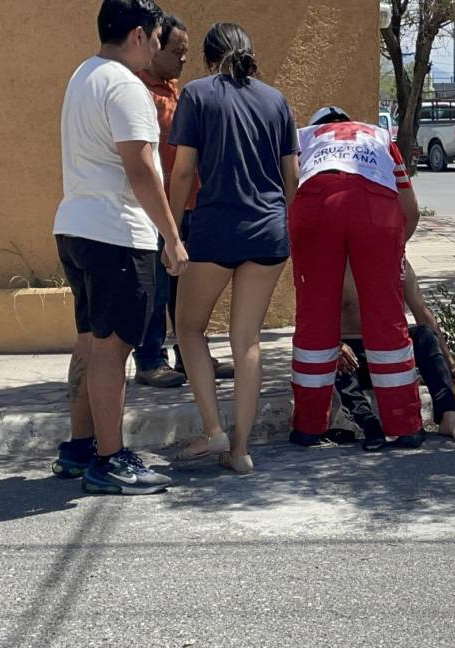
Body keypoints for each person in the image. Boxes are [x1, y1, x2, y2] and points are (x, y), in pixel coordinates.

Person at [49, 0, 187, 494]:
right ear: (136, 35)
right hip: (115, 233)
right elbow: (142, 168)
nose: (157, 45)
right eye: (154, 36)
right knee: (113, 350)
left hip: (75, 226)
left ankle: (80, 446)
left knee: (90, 339)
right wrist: (171, 237)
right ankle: (110, 460)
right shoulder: (128, 86)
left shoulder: (82, 75)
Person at [168, 23, 298, 474]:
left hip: (216, 230)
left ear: (208, 59)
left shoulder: (197, 95)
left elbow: (184, 173)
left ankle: (213, 429)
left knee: (188, 329)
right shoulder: (276, 100)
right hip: (269, 232)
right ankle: (240, 450)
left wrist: (169, 230)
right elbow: (292, 177)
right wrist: (288, 226)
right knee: (247, 341)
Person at [287, 106, 425, 450]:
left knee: (314, 321)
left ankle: (307, 426)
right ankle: (405, 425)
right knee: (387, 320)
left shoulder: (302, 140)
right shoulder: (379, 137)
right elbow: (411, 211)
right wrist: (386, 251)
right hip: (376, 212)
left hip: (318, 208)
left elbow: (292, 200)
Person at [131, 15, 234, 388]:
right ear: (154, 47)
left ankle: (192, 357)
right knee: (156, 286)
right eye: (176, 52)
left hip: (191, 206)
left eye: (186, 54)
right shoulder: (138, 90)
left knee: (187, 288)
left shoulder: (177, 90)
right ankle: (149, 358)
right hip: (158, 207)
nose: (181, 60)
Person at [333, 260, 455, 451]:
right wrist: (335, 344)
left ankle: (448, 416)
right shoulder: (333, 262)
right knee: (335, 358)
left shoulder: (397, 261)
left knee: (425, 335)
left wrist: (451, 364)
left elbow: (423, 314)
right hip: (352, 354)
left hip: (391, 349)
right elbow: (313, 320)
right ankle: (369, 425)